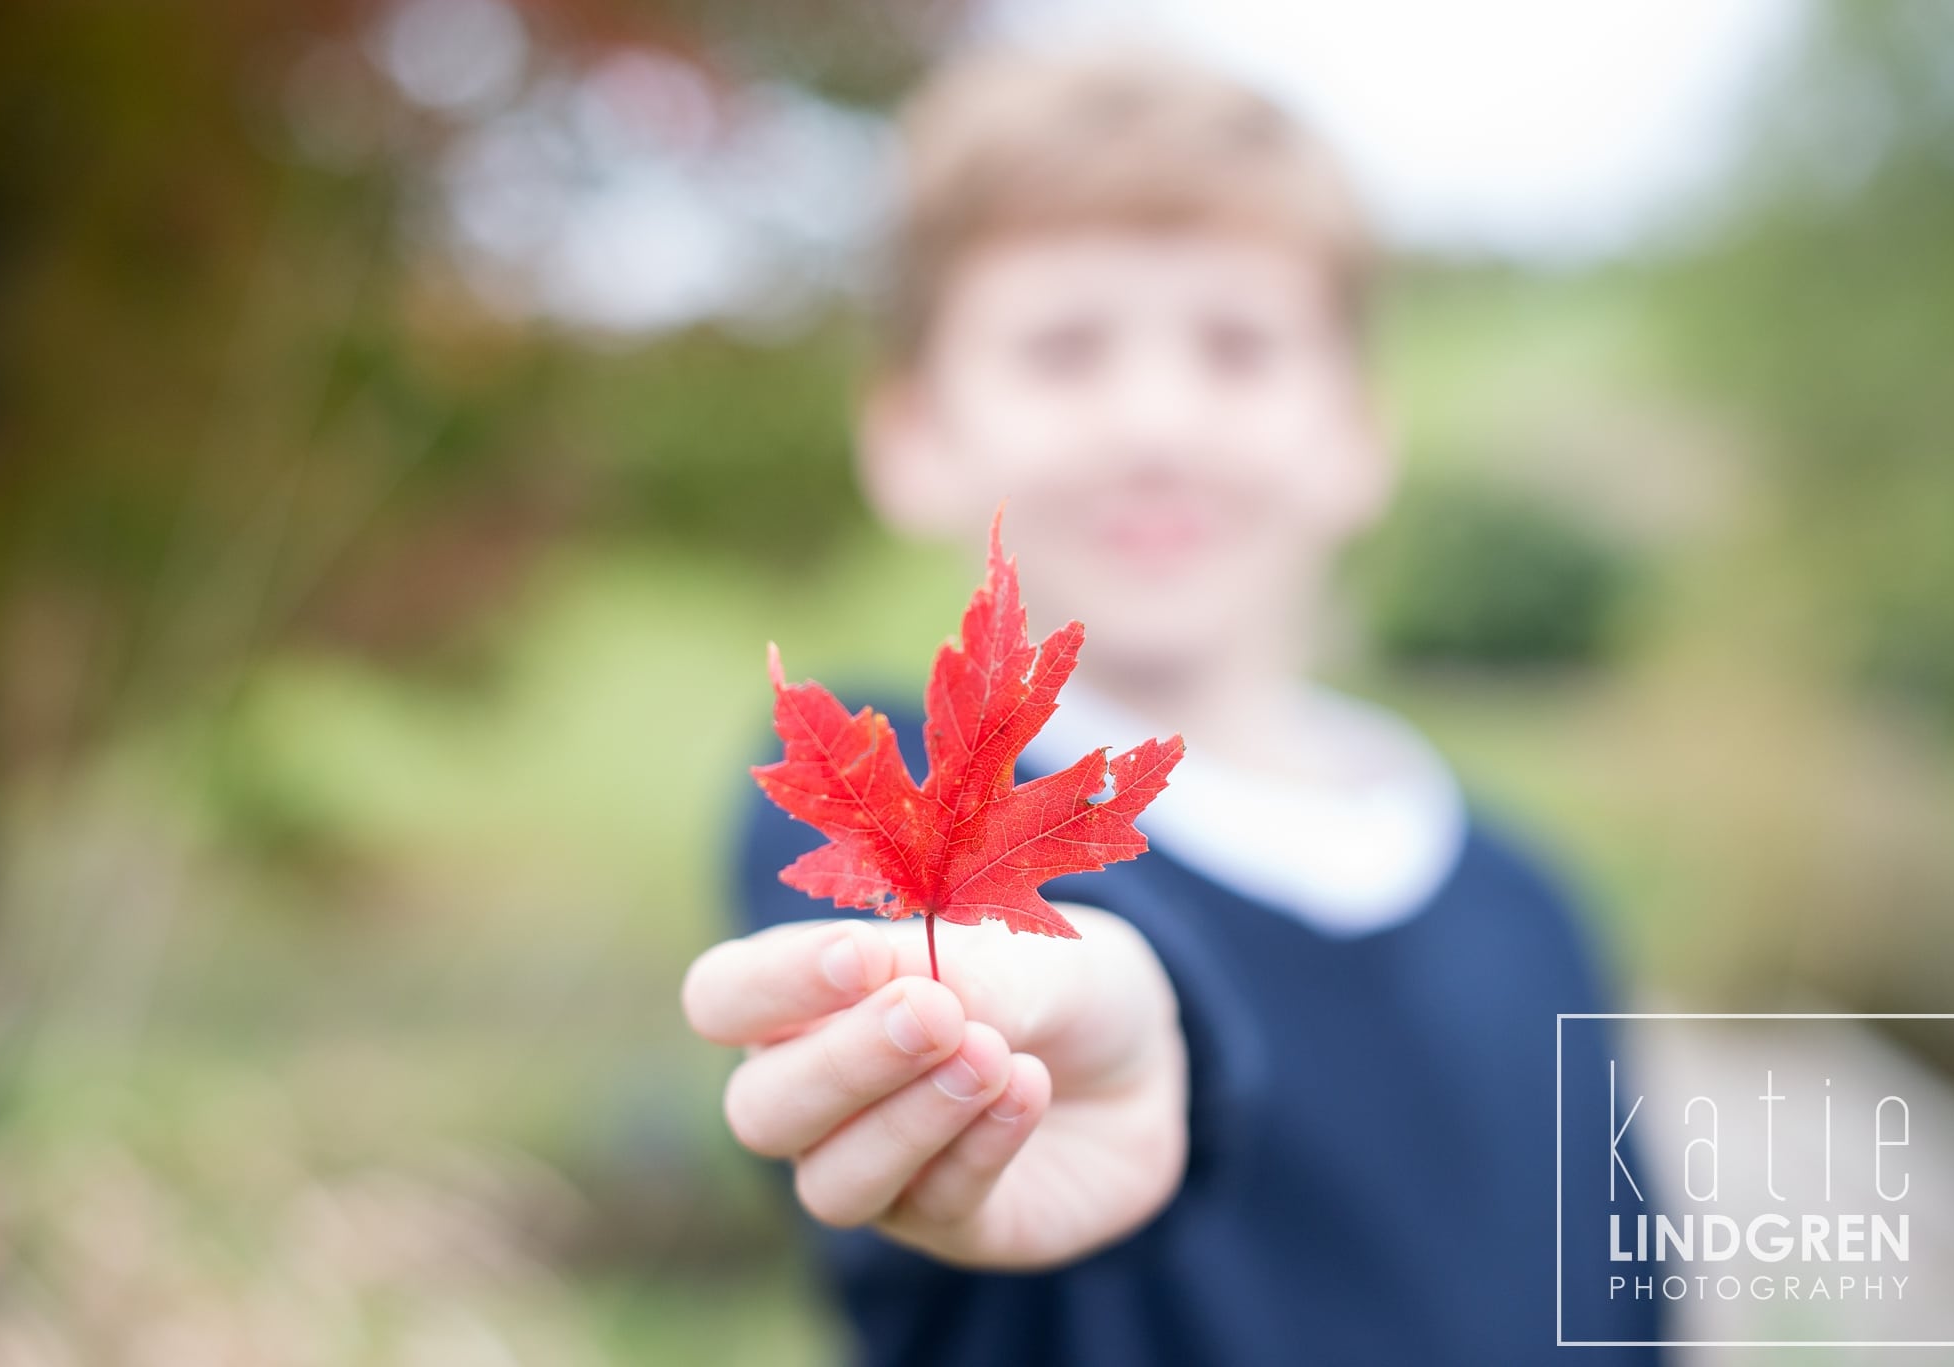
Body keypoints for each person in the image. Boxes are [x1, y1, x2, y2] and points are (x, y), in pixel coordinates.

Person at [680, 40, 1662, 1365]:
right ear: (911, 436)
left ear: (1360, 431)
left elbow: (1627, 1309)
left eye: (1238, 348)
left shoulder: (1532, 907)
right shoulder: (888, 797)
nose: (1155, 419)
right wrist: (1136, 1017)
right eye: (1065, 350)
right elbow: (1047, 961)